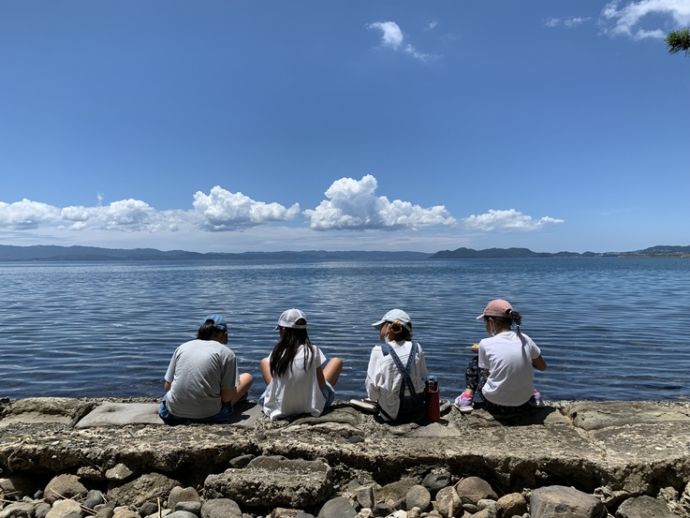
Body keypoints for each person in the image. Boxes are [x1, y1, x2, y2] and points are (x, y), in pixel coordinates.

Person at [455, 299, 546, 414]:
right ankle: (534, 394)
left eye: (485, 322)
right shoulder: (525, 339)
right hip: (524, 402)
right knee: (519, 363)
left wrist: (481, 351)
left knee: (475, 361)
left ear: (491, 322)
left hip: (495, 404)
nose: (485, 326)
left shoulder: (485, 343)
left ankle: (466, 399)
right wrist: (526, 359)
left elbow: (489, 373)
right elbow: (542, 366)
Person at [159, 314, 253, 424]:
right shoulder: (226, 353)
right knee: (247, 378)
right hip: (212, 415)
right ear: (224, 334)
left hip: (172, 414)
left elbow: (167, 387)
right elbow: (227, 398)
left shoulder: (182, 347)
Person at [260, 308, 343, 420]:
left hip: (282, 409)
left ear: (283, 330)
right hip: (310, 407)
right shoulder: (313, 350)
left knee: (264, 362)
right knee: (337, 361)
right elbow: (321, 383)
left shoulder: (277, 352)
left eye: (279, 329)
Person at [365, 309, 428, 422]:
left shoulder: (379, 351)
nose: (379, 330)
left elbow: (372, 390)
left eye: (381, 327)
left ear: (390, 328)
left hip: (391, 414)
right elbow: (424, 377)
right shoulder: (417, 347)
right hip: (416, 409)